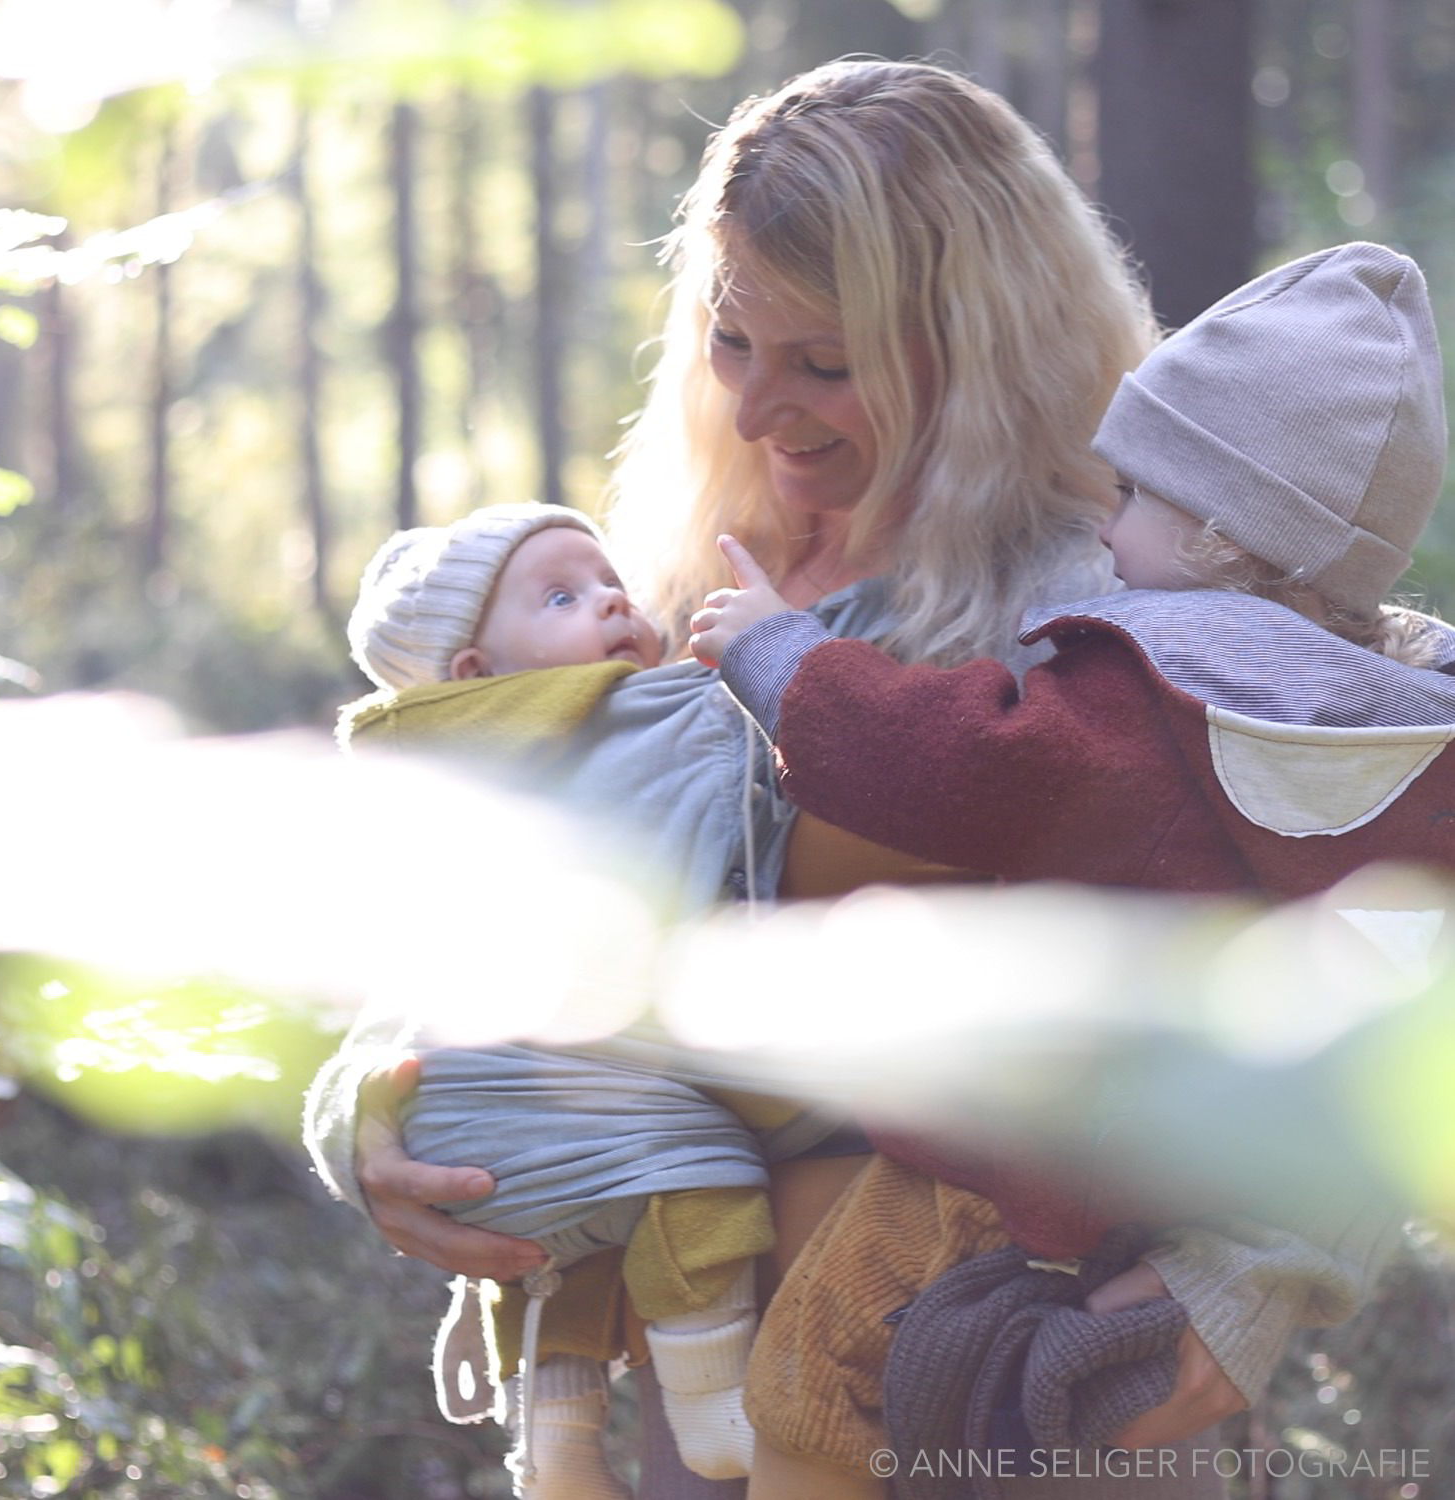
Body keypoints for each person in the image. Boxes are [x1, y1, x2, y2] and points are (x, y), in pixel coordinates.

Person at [303, 58, 1334, 1500]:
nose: (761, 411)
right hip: (696, 1380)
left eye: (829, 363)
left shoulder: (1109, 587)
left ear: (980, 346)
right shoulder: (655, 581)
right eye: (732, 341)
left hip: (1003, 1383)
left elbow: (1360, 915)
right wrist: (377, 1104)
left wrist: (1254, 1276)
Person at [687, 240, 1446, 1496]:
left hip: (1008, 1164)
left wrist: (778, 653)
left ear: (1215, 539)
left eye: (1139, 493)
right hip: (1172, 1167)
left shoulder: (1148, 695)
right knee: (1002, 1405)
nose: (1108, 516)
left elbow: (954, 760)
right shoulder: (1385, 725)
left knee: (814, 1385)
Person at [334, 497, 842, 1494]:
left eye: (612, 581)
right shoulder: (646, 726)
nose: (611, 600)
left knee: (556, 1254)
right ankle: (709, 1400)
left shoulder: (426, 779)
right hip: (589, 1093)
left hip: (457, 1120)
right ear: (474, 675)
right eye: (563, 594)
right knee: (692, 1175)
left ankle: (556, 1448)